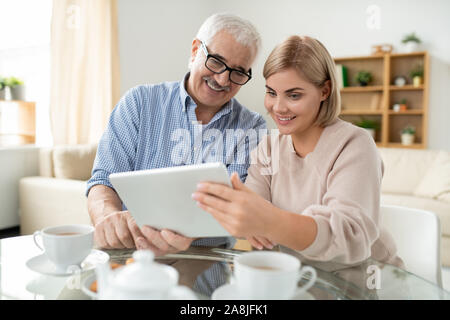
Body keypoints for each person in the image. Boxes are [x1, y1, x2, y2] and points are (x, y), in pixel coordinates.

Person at [193, 35, 403, 268]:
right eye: (271, 92)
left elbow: (348, 236)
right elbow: (252, 223)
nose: (278, 107)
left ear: (325, 91)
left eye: (294, 95)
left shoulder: (354, 145)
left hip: (363, 281)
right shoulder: (269, 147)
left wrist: (268, 221)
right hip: (300, 279)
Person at [86, 13, 266, 255]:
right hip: (133, 255)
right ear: (195, 51)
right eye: (216, 61)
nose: (223, 79)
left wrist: (189, 231)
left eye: (238, 72)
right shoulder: (138, 103)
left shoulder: (252, 128)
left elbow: (243, 207)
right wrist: (109, 218)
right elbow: (102, 181)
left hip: (208, 260)